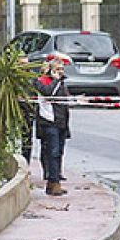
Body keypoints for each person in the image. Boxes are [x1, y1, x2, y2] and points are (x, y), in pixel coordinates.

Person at [34, 52, 72, 196]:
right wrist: (55, 80)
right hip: (49, 122)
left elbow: (63, 102)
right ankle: (54, 181)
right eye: (57, 69)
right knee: (53, 152)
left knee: (59, 152)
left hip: (61, 122)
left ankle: (53, 181)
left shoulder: (62, 83)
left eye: (62, 69)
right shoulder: (42, 82)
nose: (60, 72)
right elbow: (48, 94)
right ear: (49, 70)